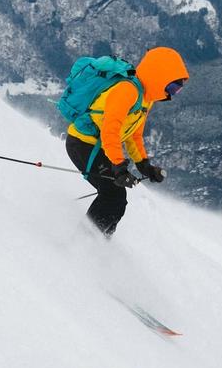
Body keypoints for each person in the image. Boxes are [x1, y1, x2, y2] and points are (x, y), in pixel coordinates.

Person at [64, 46, 189, 235]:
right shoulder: (127, 91)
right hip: (82, 145)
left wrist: (144, 165)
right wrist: (119, 166)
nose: (171, 95)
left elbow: (133, 134)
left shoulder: (146, 98)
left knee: (116, 198)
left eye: (177, 90)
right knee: (113, 195)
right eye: (171, 87)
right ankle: (83, 242)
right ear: (158, 77)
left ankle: (99, 242)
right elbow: (110, 130)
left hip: (98, 147)